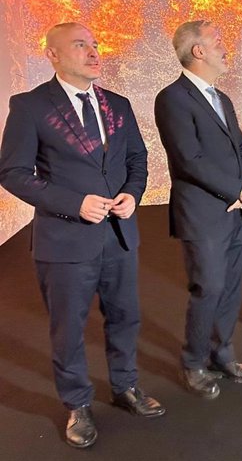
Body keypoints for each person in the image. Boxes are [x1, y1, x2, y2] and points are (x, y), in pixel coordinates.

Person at [0, 22, 164, 448]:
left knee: (126, 316)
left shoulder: (119, 105)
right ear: (52, 53)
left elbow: (137, 159)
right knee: (68, 328)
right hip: (65, 240)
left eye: (94, 44)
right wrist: (73, 203)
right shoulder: (31, 106)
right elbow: (13, 172)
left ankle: (125, 387)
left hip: (120, 235)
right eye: (80, 45)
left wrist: (132, 193)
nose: (94, 52)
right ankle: (77, 403)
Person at [155, 20, 242, 399]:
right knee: (209, 288)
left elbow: (241, 149)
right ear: (197, 51)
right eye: (218, 41)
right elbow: (189, 159)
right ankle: (194, 363)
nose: (225, 47)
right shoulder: (172, 98)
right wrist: (235, 189)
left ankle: (222, 355)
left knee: (230, 289)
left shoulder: (222, 98)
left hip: (234, 212)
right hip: (202, 215)